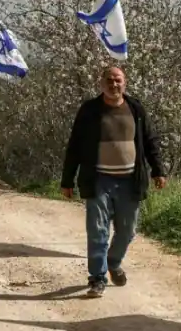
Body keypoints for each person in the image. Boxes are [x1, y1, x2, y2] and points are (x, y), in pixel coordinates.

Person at [60, 64, 167, 297]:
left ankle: (113, 261)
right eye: (109, 79)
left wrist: (158, 170)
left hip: (130, 180)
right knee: (97, 230)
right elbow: (75, 145)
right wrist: (67, 179)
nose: (113, 84)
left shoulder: (135, 108)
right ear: (101, 83)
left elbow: (150, 141)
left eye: (117, 79)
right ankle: (97, 278)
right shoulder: (89, 110)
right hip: (98, 179)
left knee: (127, 230)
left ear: (124, 82)